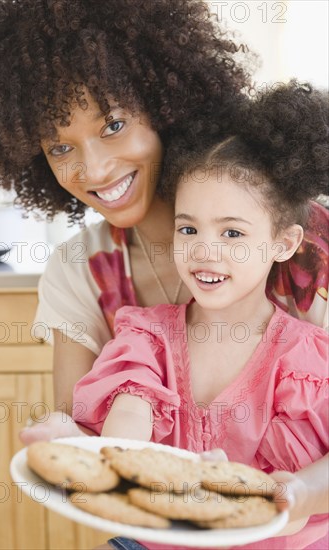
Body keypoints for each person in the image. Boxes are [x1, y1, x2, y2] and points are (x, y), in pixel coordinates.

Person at [0, 3, 327, 432]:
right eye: (60, 148)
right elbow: (80, 443)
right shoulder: (80, 271)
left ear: (166, 106)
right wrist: (57, 438)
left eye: (113, 125)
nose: (93, 169)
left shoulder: (309, 244)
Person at [68, 82, 328, 549]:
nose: (205, 251)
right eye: (188, 228)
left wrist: (291, 493)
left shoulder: (305, 361)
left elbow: (306, 494)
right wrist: (75, 441)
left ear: (284, 244)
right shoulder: (146, 339)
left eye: (232, 233)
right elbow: (127, 419)